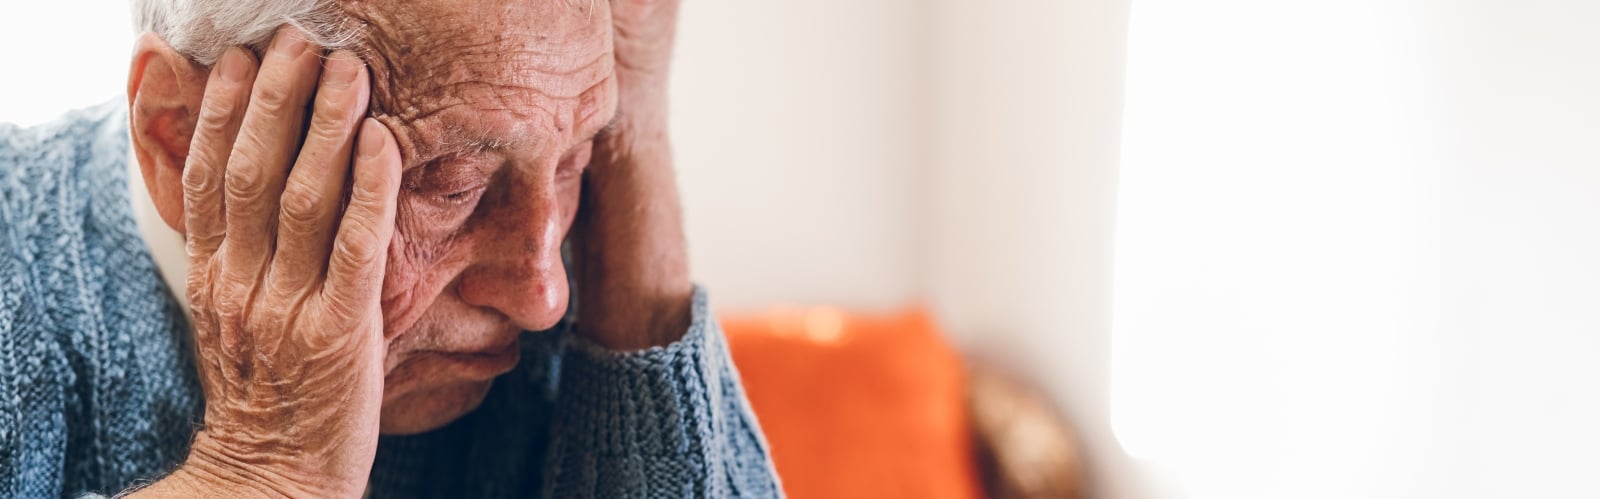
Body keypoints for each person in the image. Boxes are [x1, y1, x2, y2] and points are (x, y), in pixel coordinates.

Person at [0, 0, 782, 497]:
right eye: (454, 185)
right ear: (178, 137)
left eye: (576, 156)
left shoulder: (565, 278)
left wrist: (631, 131)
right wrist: (267, 468)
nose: (544, 295)